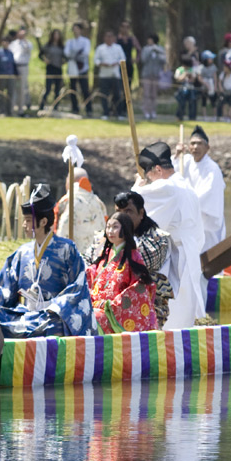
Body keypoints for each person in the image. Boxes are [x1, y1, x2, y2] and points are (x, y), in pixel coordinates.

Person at [0, 184, 95, 338]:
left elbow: (77, 287)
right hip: (26, 314)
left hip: (52, 316)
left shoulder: (67, 249)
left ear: (43, 222)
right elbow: (4, 288)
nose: (24, 225)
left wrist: (52, 307)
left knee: (54, 326)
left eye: (28, 220)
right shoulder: (22, 253)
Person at [133, 142, 205, 330]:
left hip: (176, 256)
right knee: (186, 310)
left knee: (173, 313)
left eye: (148, 176)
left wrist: (137, 186)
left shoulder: (168, 187)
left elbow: (135, 206)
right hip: (190, 253)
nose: (149, 181)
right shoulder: (186, 186)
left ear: (157, 169)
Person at [92, 190, 172, 328]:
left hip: (142, 303)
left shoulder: (157, 238)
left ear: (141, 213)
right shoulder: (106, 239)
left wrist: (125, 243)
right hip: (104, 302)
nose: (123, 216)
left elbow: (150, 262)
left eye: (128, 211)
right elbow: (90, 260)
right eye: (119, 211)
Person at [85, 212, 157, 334]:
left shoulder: (133, 256)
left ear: (125, 228)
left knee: (93, 319)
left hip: (115, 312)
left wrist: (112, 305)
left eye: (115, 227)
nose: (110, 231)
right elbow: (92, 276)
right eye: (108, 227)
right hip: (95, 305)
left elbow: (139, 287)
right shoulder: (105, 254)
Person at [178, 125, 226, 253]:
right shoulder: (185, 161)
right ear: (188, 147)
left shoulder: (212, 169)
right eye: (192, 143)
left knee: (206, 252)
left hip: (206, 222)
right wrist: (177, 155)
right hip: (189, 219)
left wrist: (186, 202)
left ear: (207, 147)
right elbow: (170, 174)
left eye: (199, 144)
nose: (195, 147)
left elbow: (208, 194)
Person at [54, 166, 109, 256]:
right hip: (96, 254)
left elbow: (56, 224)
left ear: (69, 181)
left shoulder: (67, 200)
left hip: (72, 254)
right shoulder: (98, 202)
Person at [94, 29, 127, 120]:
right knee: (104, 95)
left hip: (115, 74)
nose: (109, 38)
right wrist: (102, 63)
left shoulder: (118, 47)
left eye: (110, 37)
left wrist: (116, 63)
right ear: (104, 38)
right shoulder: (100, 48)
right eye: (107, 36)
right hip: (104, 75)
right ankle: (105, 113)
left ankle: (118, 113)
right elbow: (96, 60)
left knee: (117, 94)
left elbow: (123, 59)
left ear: (113, 38)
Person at [65, 22, 92, 115]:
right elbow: (67, 53)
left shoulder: (85, 41)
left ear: (80, 30)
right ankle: (75, 108)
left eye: (77, 29)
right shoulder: (70, 42)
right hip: (73, 69)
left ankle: (89, 109)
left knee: (85, 89)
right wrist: (76, 53)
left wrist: (74, 54)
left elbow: (85, 53)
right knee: (73, 89)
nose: (75, 31)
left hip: (82, 68)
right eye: (74, 29)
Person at [138, 34, 166, 120]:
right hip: (147, 74)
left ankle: (153, 111)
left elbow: (163, 60)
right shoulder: (146, 49)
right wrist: (150, 51)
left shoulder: (160, 48)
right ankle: (146, 111)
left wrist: (157, 51)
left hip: (156, 75)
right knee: (147, 94)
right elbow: (143, 59)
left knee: (154, 94)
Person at [38, 29, 66, 111]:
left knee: (57, 89)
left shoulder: (61, 47)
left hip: (58, 69)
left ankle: (55, 106)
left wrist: (63, 61)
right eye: (55, 34)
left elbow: (66, 57)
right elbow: (40, 55)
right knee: (48, 88)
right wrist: (45, 60)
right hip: (50, 68)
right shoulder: (48, 46)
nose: (56, 36)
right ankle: (42, 105)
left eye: (58, 35)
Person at [0, 32, 18, 116]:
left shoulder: (10, 53)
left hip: (10, 76)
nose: (5, 43)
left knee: (10, 94)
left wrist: (16, 75)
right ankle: (1, 111)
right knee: (0, 94)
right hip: (1, 76)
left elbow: (13, 65)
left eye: (7, 42)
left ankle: (9, 111)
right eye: (4, 41)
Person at [9, 26, 33, 114]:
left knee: (22, 89)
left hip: (23, 67)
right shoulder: (13, 43)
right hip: (14, 67)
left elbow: (28, 49)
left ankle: (20, 110)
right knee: (13, 89)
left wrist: (24, 40)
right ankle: (11, 109)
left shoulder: (28, 43)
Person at [117, 22, 139, 88]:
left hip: (129, 63)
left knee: (128, 83)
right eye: (123, 27)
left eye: (127, 27)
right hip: (118, 64)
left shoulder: (132, 38)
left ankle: (126, 98)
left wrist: (136, 59)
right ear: (120, 28)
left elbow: (138, 49)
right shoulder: (117, 38)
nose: (125, 29)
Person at [199, 50, 218, 119]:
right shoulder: (202, 68)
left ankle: (215, 116)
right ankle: (205, 117)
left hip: (212, 87)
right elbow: (200, 78)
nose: (212, 59)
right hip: (204, 87)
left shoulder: (213, 67)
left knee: (213, 102)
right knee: (204, 102)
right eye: (210, 58)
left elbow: (215, 78)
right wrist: (205, 83)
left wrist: (215, 86)